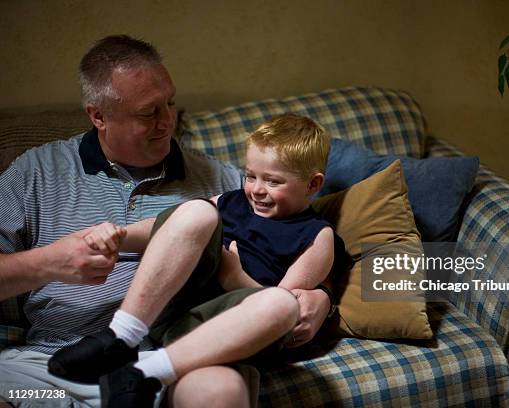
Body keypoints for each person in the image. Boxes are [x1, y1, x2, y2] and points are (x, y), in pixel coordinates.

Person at [0, 35, 334, 408]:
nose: (167, 122)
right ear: (99, 116)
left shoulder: (223, 180)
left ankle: (135, 366)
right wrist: (47, 263)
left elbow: (288, 245)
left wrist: (321, 300)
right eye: (148, 112)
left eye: (170, 103)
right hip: (53, 360)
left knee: (220, 391)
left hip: (183, 353)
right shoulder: (35, 174)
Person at [52, 113, 349, 407]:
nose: (257, 189)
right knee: (196, 211)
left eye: (273, 181)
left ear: (313, 185)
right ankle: (120, 336)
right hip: (172, 309)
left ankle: (143, 373)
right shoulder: (232, 200)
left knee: (283, 305)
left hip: (227, 331)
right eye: (251, 176)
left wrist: (233, 275)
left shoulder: (317, 238)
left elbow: (281, 315)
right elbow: (173, 228)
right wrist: (118, 236)